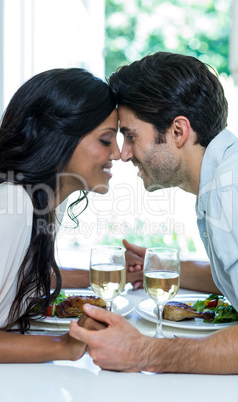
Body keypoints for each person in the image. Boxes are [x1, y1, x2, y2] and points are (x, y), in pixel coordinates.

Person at [69, 52, 238, 374]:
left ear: (178, 131)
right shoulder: (223, 177)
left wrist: (143, 352)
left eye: (131, 135)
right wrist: (164, 269)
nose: (123, 153)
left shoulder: (230, 193)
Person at [0, 67, 143, 363]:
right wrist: (65, 346)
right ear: (58, 138)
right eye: (105, 140)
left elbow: (17, 279)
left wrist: (102, 277)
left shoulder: (41, 200)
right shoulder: (10, 204)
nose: (117, 153)